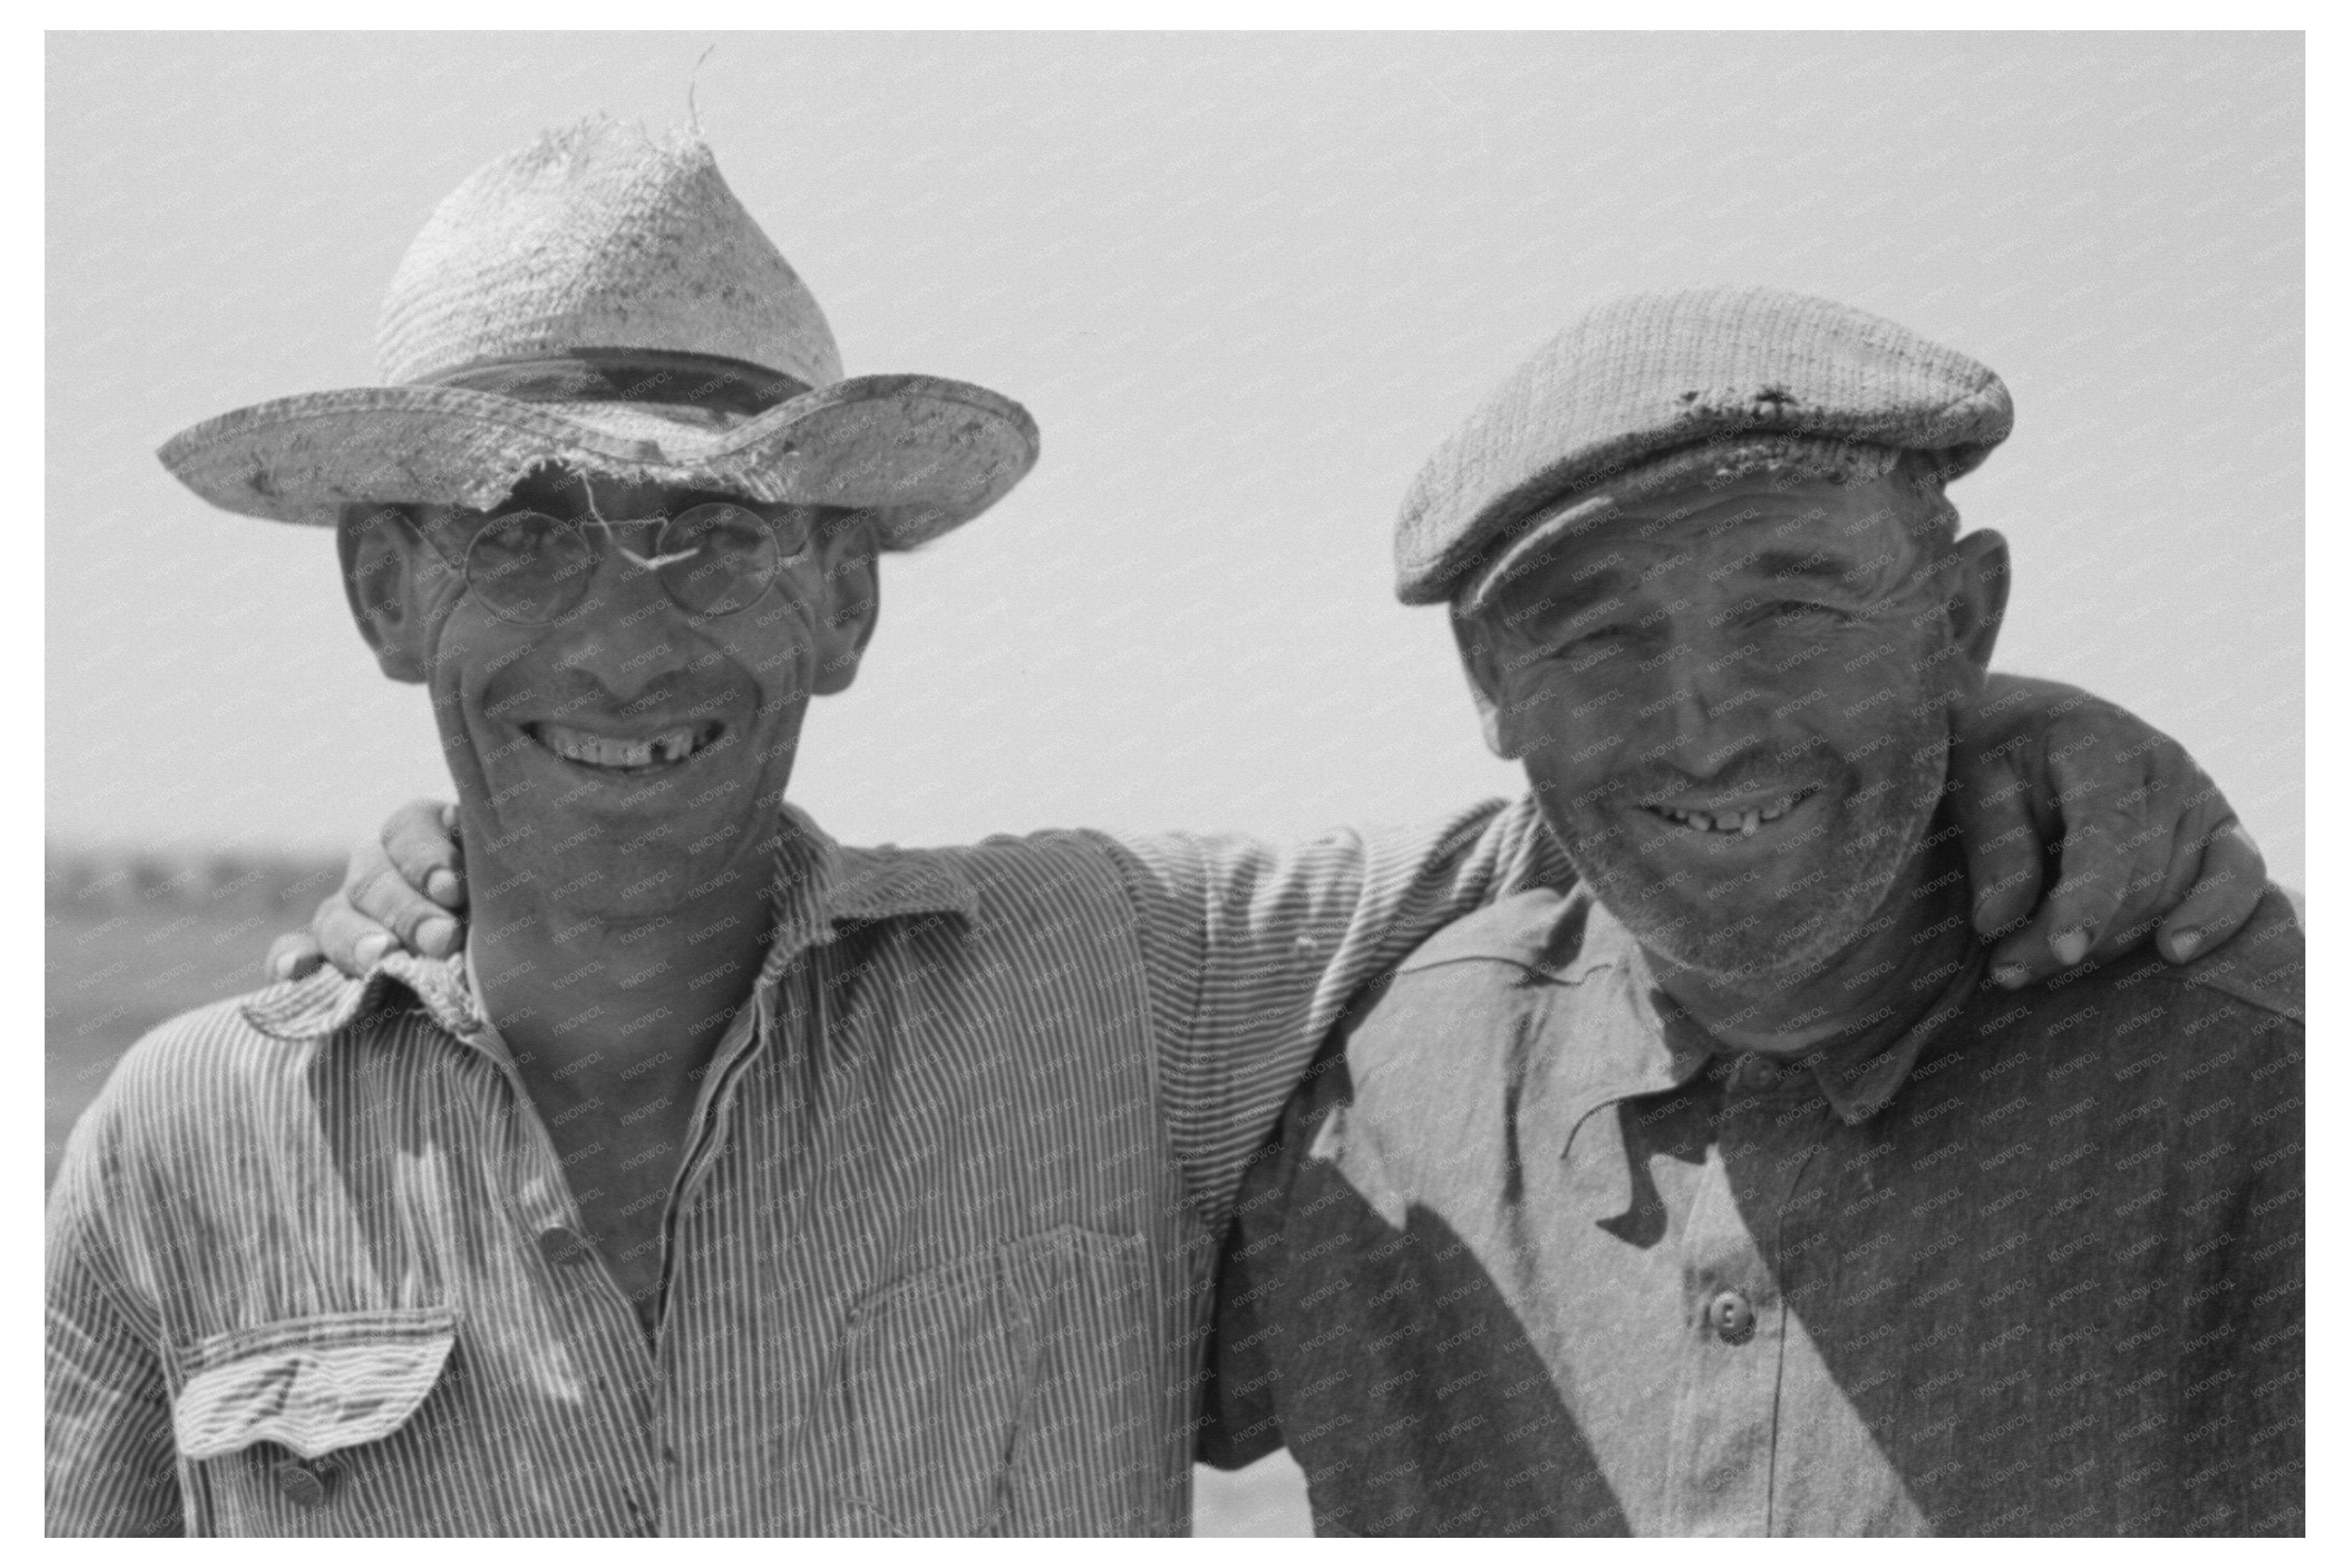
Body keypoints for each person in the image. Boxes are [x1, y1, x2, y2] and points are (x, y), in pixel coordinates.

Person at [47, 116, 2255, 1538]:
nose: (629, 642)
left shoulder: (1116, 976)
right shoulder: (177, 1150)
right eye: (527, 536)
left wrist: (2000, 724)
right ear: (384, 591)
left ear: (842, 601)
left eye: (721, 540)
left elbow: (1638, 807)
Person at [1200, 286, 2302, 1536]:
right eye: (1596, 639)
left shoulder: (2260, 1082)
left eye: (1795, 614)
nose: (1705, 730)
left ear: (1959, 621)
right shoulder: (1382, 1109)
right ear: (1488, 686)